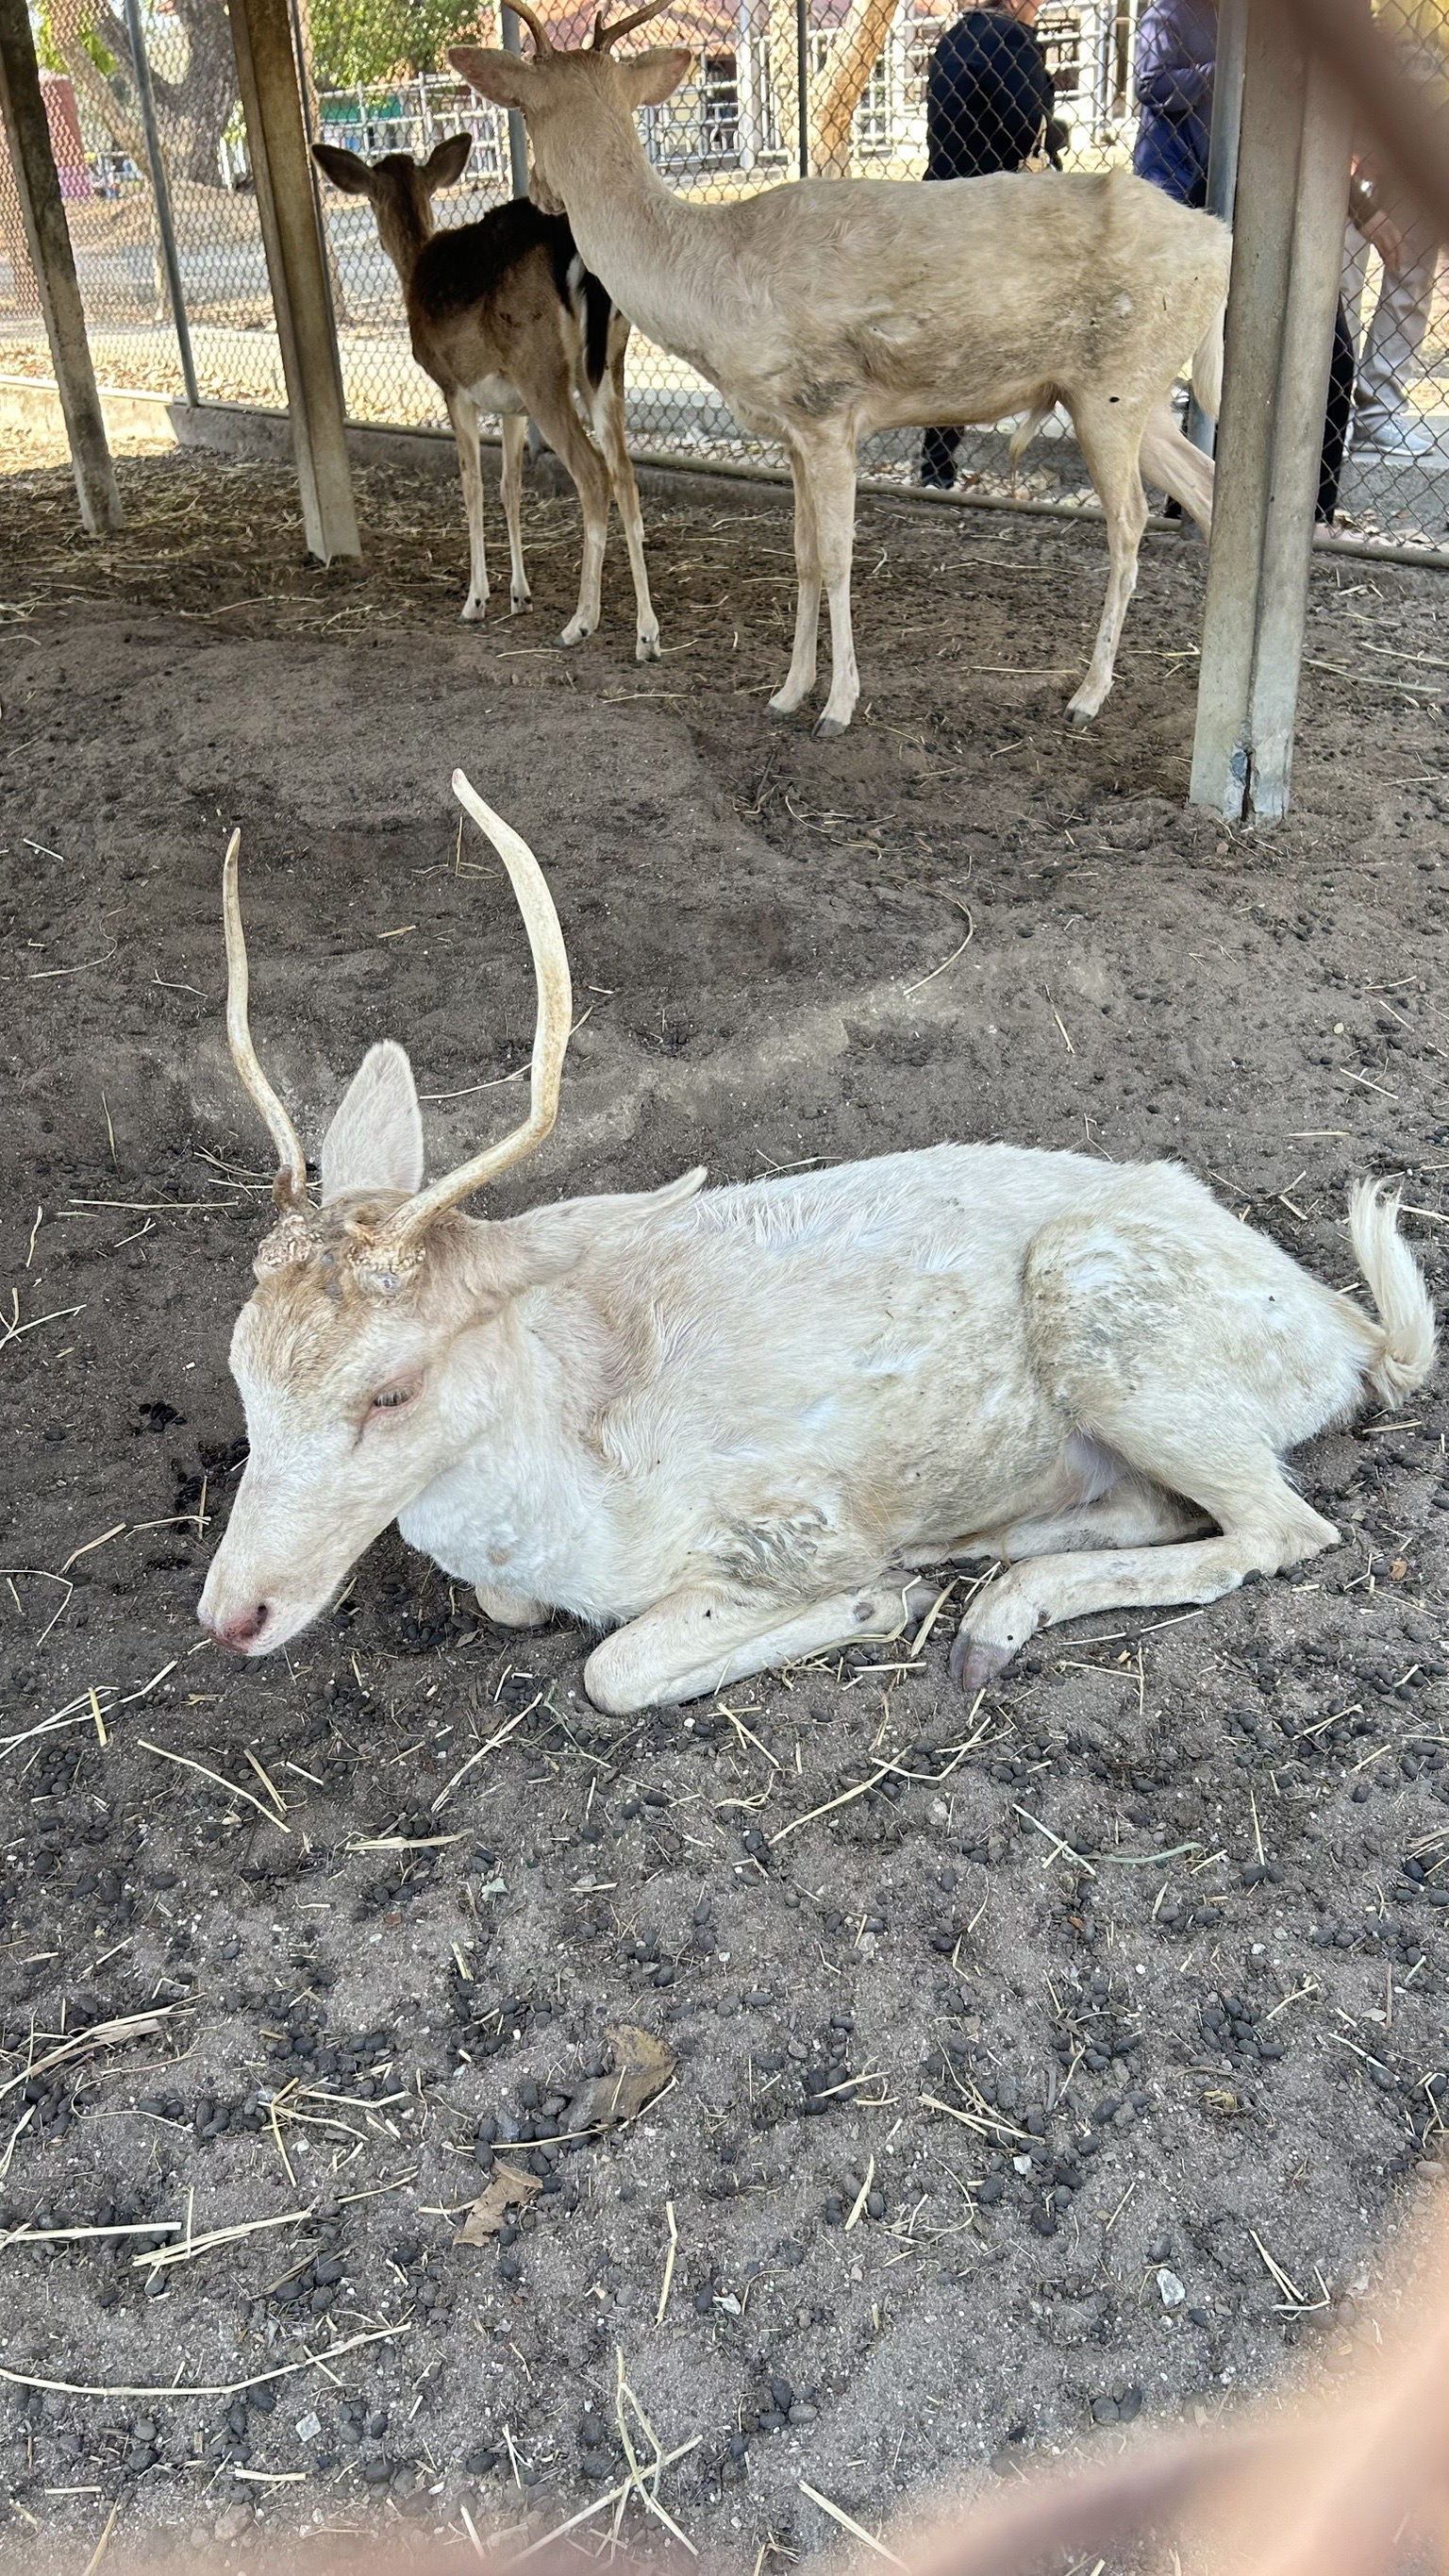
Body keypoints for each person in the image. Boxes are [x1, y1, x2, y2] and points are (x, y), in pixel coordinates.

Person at [1132, 0, 1355, 521]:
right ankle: (1188, 500)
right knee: (1213, 354)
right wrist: (1231, 71)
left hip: (1265, 199)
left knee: (1332, 355)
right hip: (1190, 202)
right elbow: (1150, 83)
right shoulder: (1172, 13)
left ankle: (1314, 512)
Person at [918, 0, 1063, 489]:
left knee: (949, 334)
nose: (1040, 8)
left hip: (942, 202)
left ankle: (936, 464)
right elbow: (1029, 129)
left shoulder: (954, 39)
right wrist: (1056, 133)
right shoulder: (1012, 42)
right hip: (993, 211)